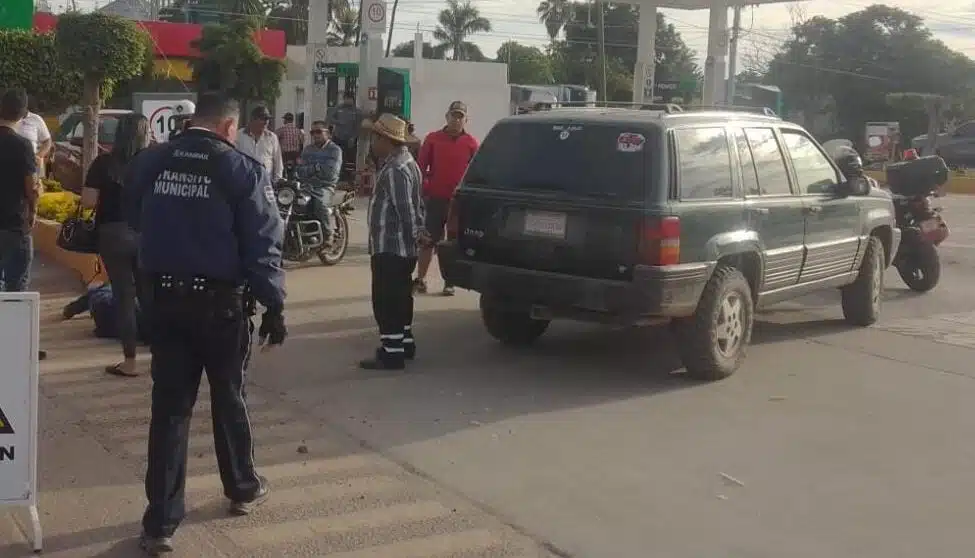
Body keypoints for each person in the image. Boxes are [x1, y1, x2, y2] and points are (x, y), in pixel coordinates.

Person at [124, 92, 287, 555]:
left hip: (164, 303)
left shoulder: (151, 161)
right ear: (229, 128)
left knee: (170, 409)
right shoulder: (241, 170)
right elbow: (263, 242)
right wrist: (275, 304)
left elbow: (134, 218)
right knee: (230, 398)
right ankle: (241, 488)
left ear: (195, 119)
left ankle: (160, 523)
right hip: (220, 308)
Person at [80, 112, 151, 377]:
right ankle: (163, 359)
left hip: (113, 233)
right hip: (146, 234)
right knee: (150, 295)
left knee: (124, 298)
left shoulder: (104, 163)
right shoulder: (152, 163)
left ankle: (130, 361)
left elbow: (88, 201)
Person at [361, 113, 427, 370]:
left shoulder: (396, 169)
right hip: (400, 248)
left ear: (385, 140)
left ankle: (392, 352)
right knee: (400, 297)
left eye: (375, 138)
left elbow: (406, 210)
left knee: (386, 300)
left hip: (392, 247)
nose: (373, 143)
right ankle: (403, 342)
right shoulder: (406, 163)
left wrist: (416, 235)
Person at [414, 101, 479, 296]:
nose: (456, 119)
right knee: (428, 240)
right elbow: (420, 167)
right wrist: (425, 188)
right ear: (447, 117)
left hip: (458, 202)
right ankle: (420, 279)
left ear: (465, 119)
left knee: (452, 244)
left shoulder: (471, 143)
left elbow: (476, 172)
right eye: (453, 115)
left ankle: (449, 282)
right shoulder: (433, 139)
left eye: (460, 116)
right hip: (435, 199)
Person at [0, 89, 46, 361]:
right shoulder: (21, 145)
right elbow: (31, 188)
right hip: (14, 225)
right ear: (22, 114)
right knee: (17, 288)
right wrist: (34, 207)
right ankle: (15, 345)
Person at [298, 121, 342, 245]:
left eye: (319, 132)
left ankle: (328, 234)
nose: (315, 135)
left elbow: (330, 173)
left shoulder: (335, 150)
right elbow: (300, 170)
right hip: (307, 186)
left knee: (320, 204)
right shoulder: (307, 149)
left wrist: (310, 169)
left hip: (326, 186)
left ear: (327, 133)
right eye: (313, 132)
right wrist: (316, 168)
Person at [236, 105, 284, 181]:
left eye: (267, 119)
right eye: (263, 119)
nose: (266, 122)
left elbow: (278, 163)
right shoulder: (239, 135)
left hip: (265, 183)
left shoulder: (272, 137)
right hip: (244, 182)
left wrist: (277, 181)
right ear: (253, 119)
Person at [326, 92, 363, 169]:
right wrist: (338, 122)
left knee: (347, 157)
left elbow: (358, 126)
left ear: (353, 100)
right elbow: (329, 118)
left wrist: (354, 137)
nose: (348, 101)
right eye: (346, 99)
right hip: (338, 136)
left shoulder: (357, 111)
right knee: (336, 154)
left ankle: (345, 173)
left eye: (349, 99)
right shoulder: (338, 108)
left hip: (349, 138)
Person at [17, 109, 52, 176]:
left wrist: (39, 155)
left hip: (31, 165)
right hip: (8, 164)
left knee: (34, 185)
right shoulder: (4, 118)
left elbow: (47, 141)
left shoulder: (36, 119)